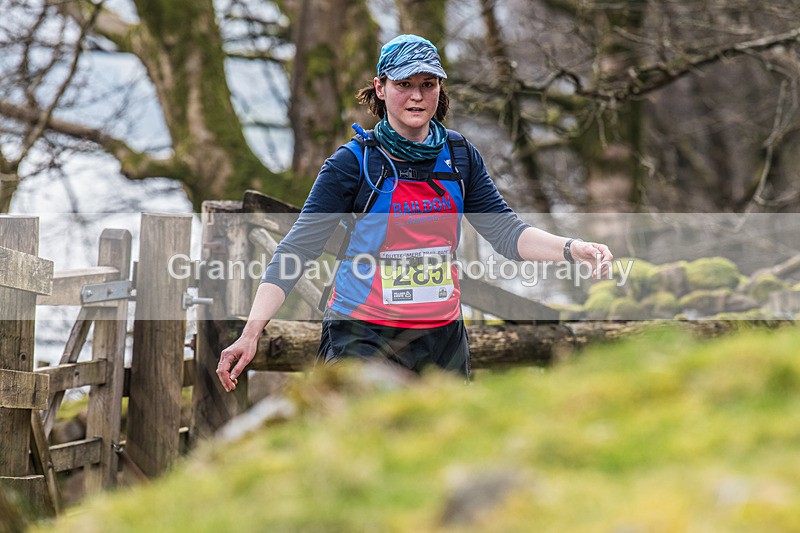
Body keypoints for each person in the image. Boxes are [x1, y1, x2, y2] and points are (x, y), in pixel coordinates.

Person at [217, 34, 612, 391]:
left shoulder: (460, 156)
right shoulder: (352, 163)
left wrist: (572, 248)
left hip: (441, 338)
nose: (418, 96)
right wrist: (252, 332)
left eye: (428, 84)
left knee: (439, 454)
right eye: (404, 85)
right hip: (363, 335)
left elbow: (507, 234)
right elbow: (296, 249)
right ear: (381, 87)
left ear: (440, 89)